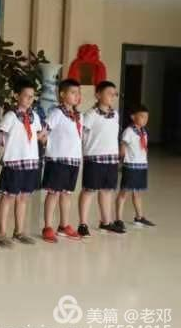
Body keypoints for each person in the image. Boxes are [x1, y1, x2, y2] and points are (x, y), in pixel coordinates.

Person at [0, 78, 45, 248]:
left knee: (24, 197)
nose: (30, 99)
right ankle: (1, 233)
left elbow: (34, 135)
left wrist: (42, 136)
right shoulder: (10, 116)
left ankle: (19, 232)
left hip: (30, 162)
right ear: (17, 96)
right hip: (14, 162)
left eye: (32, 96)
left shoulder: (34, 116)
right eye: (26, 95)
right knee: (8, 196)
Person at [79, 81, 124, 236]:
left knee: (107, 191)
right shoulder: (90, 115)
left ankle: (106, 222)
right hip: (94, 159)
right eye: (109, 93)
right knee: (89, 190)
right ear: (98, 95)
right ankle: (83, 224)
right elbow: (81, 135)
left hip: (111, 159)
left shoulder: (115, 114)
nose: (112, 96)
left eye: (114, 94)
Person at [41, 79, 83, 243]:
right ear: (62, 94)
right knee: (54, 193)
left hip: (73, 160)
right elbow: (44, 131)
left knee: (67, 193)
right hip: (57, 160)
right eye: (73, 92)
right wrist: (42, 141)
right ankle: (47, 227)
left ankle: (64, 225)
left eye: (78, 93)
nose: (77, 96)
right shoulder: (57, 113)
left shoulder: (78, 116)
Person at [116, 105, 155, 228]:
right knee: (124, 193)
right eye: (142, 116)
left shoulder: (144, 131)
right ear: (133, 117)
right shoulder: (129, 131)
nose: (145, 119)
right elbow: (122, 147)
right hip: (131, 166)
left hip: (141, 166)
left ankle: (139, 217)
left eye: (147, 117)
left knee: (138, 193)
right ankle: (118, 219)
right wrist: (121, 162)